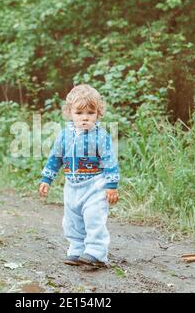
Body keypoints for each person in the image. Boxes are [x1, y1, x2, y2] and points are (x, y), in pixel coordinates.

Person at [39, 84, 120, 267]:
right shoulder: (64, 135)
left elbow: (109, 161)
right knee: (72, 220)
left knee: (93, 217)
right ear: (69, 113)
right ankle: (76, 249)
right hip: (72, 186)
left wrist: (111, 185)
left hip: (95, 185)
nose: (85, 117)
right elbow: (55, 158)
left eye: (90, 113)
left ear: (98, 114)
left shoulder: (101, 136)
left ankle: (96, 252)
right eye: (79, 113)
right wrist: (46, 179)